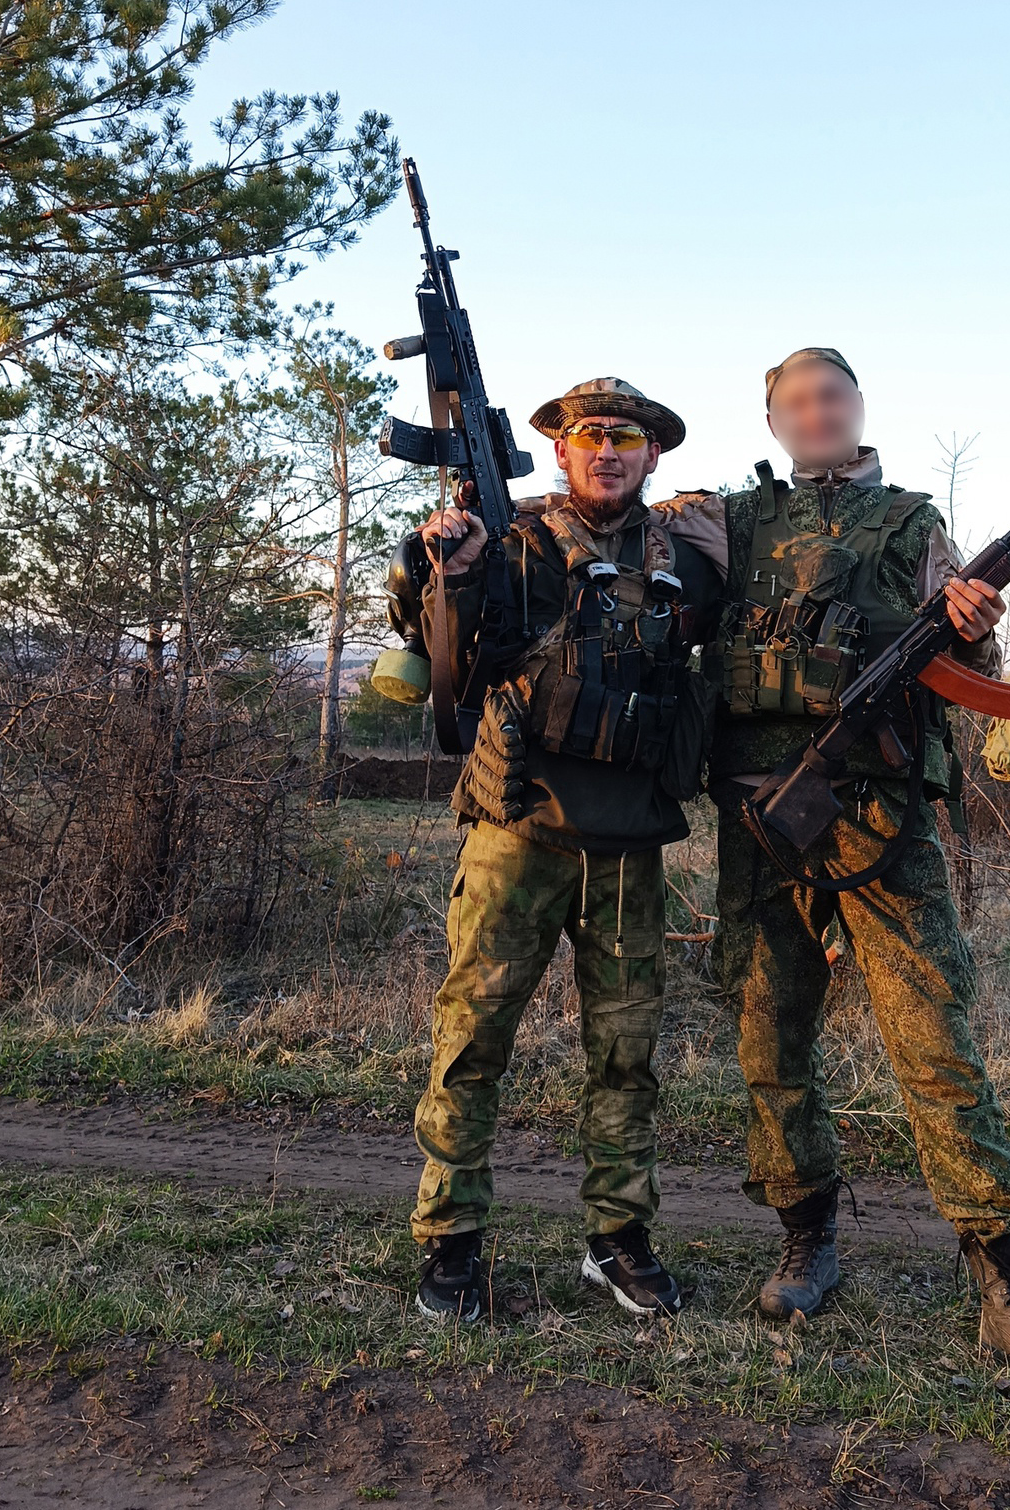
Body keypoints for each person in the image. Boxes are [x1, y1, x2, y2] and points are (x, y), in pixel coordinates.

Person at [652, 348, 1010, 1383]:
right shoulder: (726, 518)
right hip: (764, 818)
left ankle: (1008, 1286)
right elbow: (615, 521)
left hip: (881, 820)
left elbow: (968, 667)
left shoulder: (912, 524)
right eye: (795, 402)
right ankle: (806, 1238)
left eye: (832, 397)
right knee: (767, 1037)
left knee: (933, 1049)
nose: (816, 413)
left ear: (857, 409)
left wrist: (979, 638)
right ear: (771, 421)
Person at [410, 377, 723, 1323]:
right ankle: (452, 1239)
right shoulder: (511, 543)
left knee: (626, 1054)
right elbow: (447, 655)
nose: (607, 450)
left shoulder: (691, 559)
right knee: (474, 1039)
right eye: (588, 435)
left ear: (652, 454)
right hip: (518, 827)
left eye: (626, 436)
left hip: (628, 842)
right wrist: (451, 572)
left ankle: (617, 1240)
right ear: (560, 449)